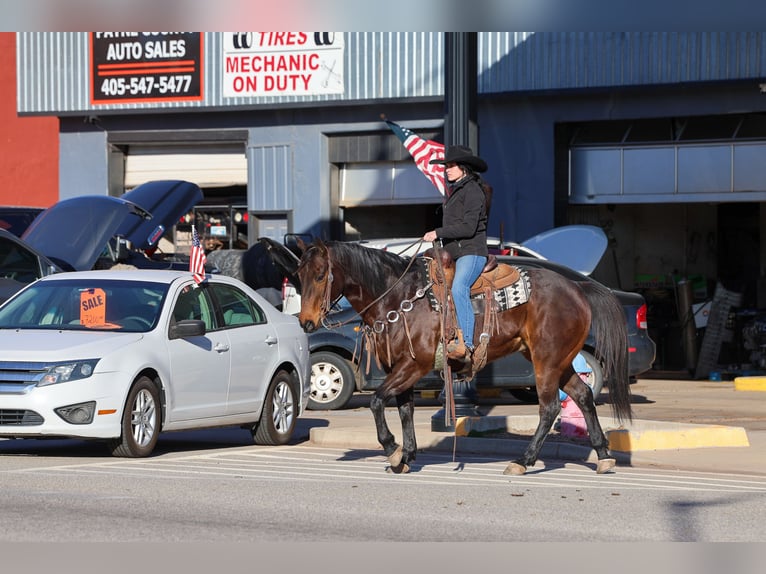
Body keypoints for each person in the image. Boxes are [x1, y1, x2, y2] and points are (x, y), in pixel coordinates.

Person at [423, 145, 490, 365]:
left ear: (464, 168)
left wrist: (437, 232)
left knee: (459, 287)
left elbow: (468, 228)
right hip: (454, 253)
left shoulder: (472, 191)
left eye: (451, 166)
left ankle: (467, 343)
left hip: (472, 251)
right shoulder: (458, 190)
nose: (447, 170)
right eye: (446, 166)